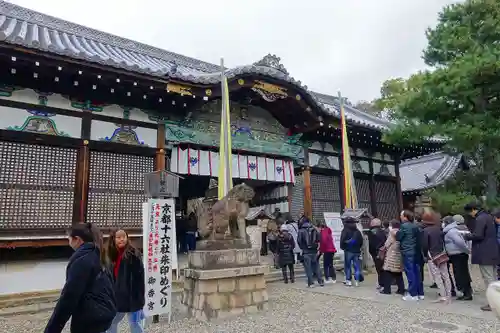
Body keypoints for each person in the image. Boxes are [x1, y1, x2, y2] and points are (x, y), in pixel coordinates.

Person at [45, 223, 116, 333]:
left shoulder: (82, 260)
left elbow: (69, 297)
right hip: (105, 313)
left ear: (77, 239)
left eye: (69, 238)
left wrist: (52, 330)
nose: (68, 241)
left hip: (89, 317)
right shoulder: (101, 255)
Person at [105, 229, 145, 333]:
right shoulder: (111, 255)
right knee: (110, 323)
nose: (122, 239)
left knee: (135, 324)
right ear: (113, 239)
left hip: (133, 297)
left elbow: (140, 278)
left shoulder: (133, 254)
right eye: (118, 237)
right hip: (116, 298)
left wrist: (140, 298)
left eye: (124, 237)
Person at [464, 202, 500, 311]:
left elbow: (478, 235)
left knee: (488, 278)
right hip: (493, 251)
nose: (470, 214)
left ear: (474, 210)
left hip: (484, 252)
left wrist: (466, 236)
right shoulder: (488, 216)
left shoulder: (480, 219)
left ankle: (493, 303)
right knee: (493, 277)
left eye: (470, 212)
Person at [421, 211, 452, 304]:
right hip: (442, 254)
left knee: (437, 276)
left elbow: (425, 245)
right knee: (446, 275)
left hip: (432, 256)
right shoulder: (439, 229)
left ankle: (442, 296)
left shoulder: (425, 231)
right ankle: (449, 295)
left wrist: (425, 255)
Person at [397, 210, 424, 301]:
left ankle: (413, 294)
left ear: (405, 217)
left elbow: (399, 237)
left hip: (407, 251)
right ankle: (420, 292)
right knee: (417, 272)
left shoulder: (404, 226)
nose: (400, 217)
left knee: (410, 272)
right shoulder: (416, 226)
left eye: (401, 215)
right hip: (416, 251)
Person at [443, 214, 472, 300]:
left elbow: (460, 242)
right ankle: (466, 292)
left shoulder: (451, 231)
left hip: (458, 255)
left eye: (443, 222)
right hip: (456, 254)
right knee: (461, 273)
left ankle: (467, 293)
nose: (442, 224)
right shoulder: (450, 230)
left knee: (461, 274)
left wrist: (466, 250)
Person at [297, 217, 324, 287]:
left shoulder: (301, 230)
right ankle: (320, 281)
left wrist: (302, 248)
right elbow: (319, 239)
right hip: (314, 250)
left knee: (308, 268)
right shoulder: (314, 229)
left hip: (306, 251)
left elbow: (299, 241)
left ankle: (311, 283)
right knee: (316, 266)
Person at [380, 219, 405, 295]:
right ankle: (401, 289)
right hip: (399, 255)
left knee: (387, 272)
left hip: (391, 254)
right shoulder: (401, 233)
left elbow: (387, 244)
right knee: (398, 273)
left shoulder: (392, 233)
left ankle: (387, 290)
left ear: (392, 225)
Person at [340, 217, 363, 287]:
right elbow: (361, 241)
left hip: (348, 251)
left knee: (348, 266)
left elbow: (342, 240)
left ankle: (348, 280)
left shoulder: (345, 230)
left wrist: (343, 247)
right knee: (357, 266)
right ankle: (357, 281)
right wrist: (358, 247)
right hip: (356, 251)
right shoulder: (357, 231)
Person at [368, 218, 387, 291]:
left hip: (376, 253)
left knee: (379, 269)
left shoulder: (371, 232)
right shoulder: (383, 231)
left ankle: (381, 283)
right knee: (382, 268)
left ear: (373, 224)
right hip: (383, 251)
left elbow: (371, 244)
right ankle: (382, 283)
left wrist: (372, 252)